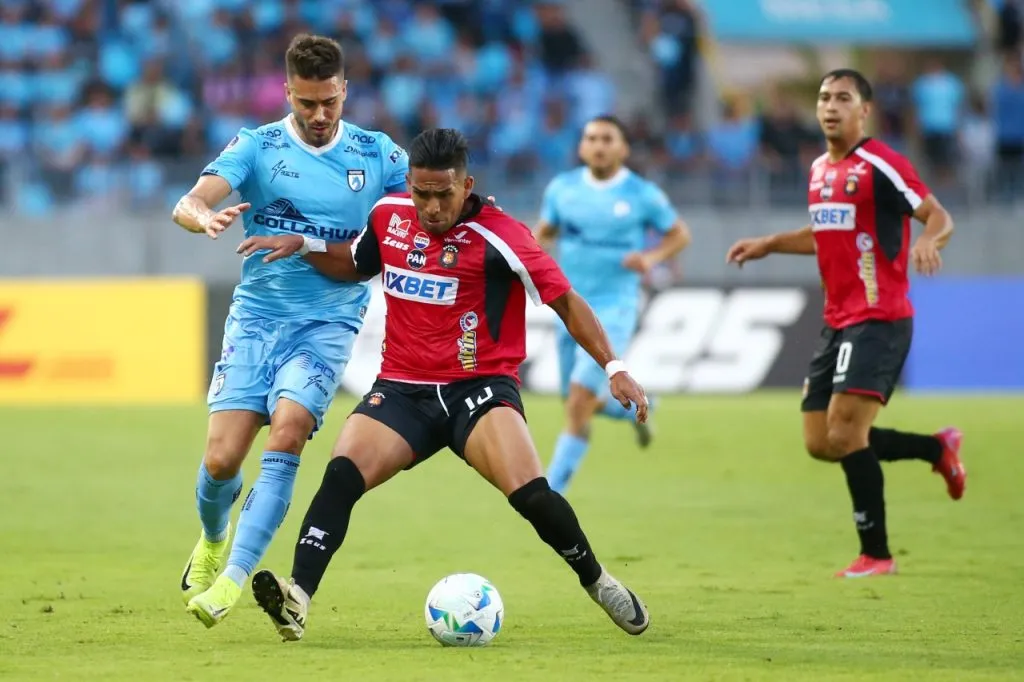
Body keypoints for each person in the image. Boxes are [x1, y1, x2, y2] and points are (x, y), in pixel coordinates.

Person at [235, 128, 652, 641]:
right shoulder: (389, 216)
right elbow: (357, 263)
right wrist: (304, 244)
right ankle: (297, 598)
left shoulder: (504, 235)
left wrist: (614, 367)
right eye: (421, 193)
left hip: (478, 389)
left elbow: (564, 300)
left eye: (443, 194)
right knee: (341, 475)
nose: (431, 207)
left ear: (467, 184)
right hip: (403, 390)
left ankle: (598, 581)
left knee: (533, 497)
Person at [170, 33, 409, 627]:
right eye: (308, 103)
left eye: (330, 101)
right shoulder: (257, 147)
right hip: (256, 319)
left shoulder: (378, 155)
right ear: (288, 94)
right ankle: (215, 537)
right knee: (222, 460)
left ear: (345, 90)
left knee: (290, 431)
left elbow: (420, 221)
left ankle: (231, 581)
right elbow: (191, 200)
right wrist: (204, 217)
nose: (321, 114)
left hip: (329, 321)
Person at [725, 69, 966, 578]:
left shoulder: (882, 163)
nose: (830, 106)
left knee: (845, 430)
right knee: (821, 441)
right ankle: (935, 448)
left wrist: (929, 240)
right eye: (823, 98)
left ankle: (876, 553)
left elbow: (938, 215)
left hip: (880, 317)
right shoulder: (818, 169)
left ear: (864, 110)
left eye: (843, 98)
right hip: (837, 320)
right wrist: (769, 244)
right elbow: (824, 232)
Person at [534, 115, 691, 494]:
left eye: (607, 138)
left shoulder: (641, 194)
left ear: (622, 148)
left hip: (614, 307)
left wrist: (651, 260)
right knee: (573, 400)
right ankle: (640, 406)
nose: (599, 145)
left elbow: (679, 234)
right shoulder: (562, 189)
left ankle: (550, 494)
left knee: (577, 404)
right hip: (567, 305)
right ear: (582, 147)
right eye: (592, 138)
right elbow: (546, 232)